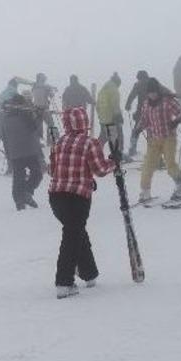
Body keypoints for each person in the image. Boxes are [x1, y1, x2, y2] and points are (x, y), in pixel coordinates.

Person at [48, 106, 116, 299]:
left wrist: (82, 176)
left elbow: (53, 171)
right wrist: (114, 162)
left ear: (67, 123)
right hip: (77, 197)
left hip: (56, 196)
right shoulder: (90, 142)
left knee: (76, 231)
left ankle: (88, 273)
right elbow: (101, 169)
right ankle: (64, 282)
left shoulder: (59, 142)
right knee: (72, 235)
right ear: (85, 122)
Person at [135, 78, 181, 202]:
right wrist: (137, 129)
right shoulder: (146, 104)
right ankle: (145, 191)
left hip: (168, 138)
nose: (152, 95)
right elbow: (144, 120)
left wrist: (176, 121)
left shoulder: (167, 101)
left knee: (170, 164)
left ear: (158, 91)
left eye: (154, 92)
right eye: (150, 92)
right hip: (153, 140)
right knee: (148, 165)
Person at [0, 95, 44, 210]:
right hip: (29, 151)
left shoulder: (5, 117)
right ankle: (27, 192)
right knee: (37, 173)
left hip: (15, 153)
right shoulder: (25, 115)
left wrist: (8, 153)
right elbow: (37, 129)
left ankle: (19, 200)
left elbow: (3, 136)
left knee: (18, 177)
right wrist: (39, 115)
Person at [96, 72, 129, 161]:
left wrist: (100, 116)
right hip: (112, 118)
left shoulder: (103, 89)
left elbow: (97, 105)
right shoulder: (114, 89)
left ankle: (96, 154)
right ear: (117, 82)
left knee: (103, 137)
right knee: (118, 136)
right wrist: (118, 115)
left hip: (103, 119)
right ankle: (118, 155)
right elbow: (115, 104)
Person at [0, 78, 20, 158]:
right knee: (8, 132)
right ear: (15, 85)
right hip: (6, 114)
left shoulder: (3, 92)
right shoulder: (14, 91)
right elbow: (19, 102)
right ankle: (10, 150)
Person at [31, 73, 56, 142]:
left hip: (36, 108)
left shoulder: (34, 87)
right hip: (44, 108)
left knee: (38, 125)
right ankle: (51, 140)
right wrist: (51, 90)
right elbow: (51, 95)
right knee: (51, 124)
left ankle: (38, 141)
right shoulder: (46, 87)